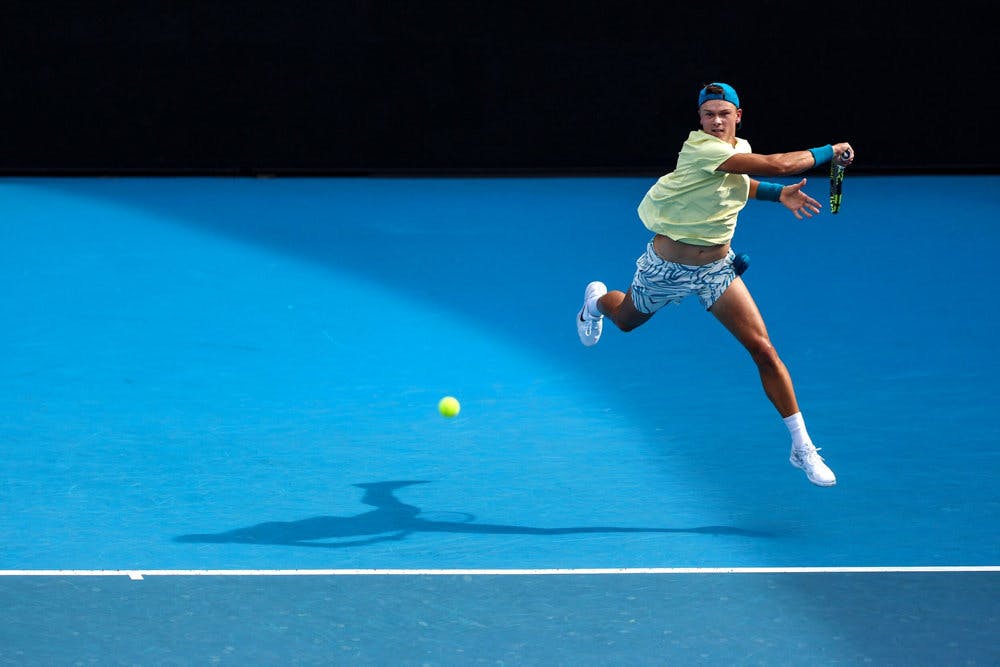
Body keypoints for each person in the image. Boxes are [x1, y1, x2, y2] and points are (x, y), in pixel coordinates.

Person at [576, 82, 853, 487]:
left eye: (724, 113)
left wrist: (780, 197)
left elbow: (742, 184)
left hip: (717, 270)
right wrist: (831, 152)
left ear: (738, 115)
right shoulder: (701, 148)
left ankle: (802, 447)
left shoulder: (736, 149)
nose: (716, 120)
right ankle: (595, 301)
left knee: (763, 349)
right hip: (666, 268)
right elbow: (775, 164)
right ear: (700, 119)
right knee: (624, 320)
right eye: (709, 114)